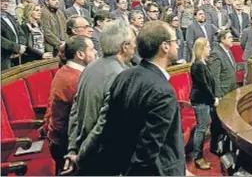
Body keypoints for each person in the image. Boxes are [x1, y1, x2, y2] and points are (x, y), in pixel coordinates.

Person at [97, 21, 185, 176]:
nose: (177, 46)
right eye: (174, 41)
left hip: (123, 165)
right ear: (164, 46)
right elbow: (148, 149)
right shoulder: (163, 90)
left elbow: (111, 129)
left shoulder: (124, 76)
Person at [63, 21, 135, 175]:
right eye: (133, 43)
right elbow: (103, 123)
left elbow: (74, 113)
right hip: (103, 156)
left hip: (84, 151)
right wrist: (80, 156)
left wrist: (72, 149)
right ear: (124, 46)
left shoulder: (90, 67)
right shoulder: (121, 75)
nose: (135, 47)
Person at [45, 36, 96, 175]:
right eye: (91, 49)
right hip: (64, 143)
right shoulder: (75, 78)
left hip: (59, 139)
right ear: (80, 54)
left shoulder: (67, 71)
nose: (95, 52)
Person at [189, 38, 217, 170]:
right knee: (201, 128)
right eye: (208, 47)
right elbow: (204, 86)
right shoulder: (197, 65)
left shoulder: (203, 63)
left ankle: (197, 155)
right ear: (202, 49)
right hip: (201, 101)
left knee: (203, 127)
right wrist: (213, 100)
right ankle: (197, 157)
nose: (210, 49)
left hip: (204, 100)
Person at [208, 30, 236, 153]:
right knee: (217, 122)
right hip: (222, 93)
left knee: (225, 121)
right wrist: (217, 96)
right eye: (229, 37)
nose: (232, 39)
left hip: (230, 91)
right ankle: (214, 146)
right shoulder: (216, 53)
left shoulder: (228, 51)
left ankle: (224, 144)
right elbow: (215, 78)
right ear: (222, 39)